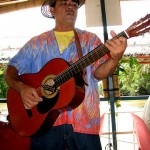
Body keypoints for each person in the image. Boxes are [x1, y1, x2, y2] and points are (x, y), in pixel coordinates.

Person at [5, 0, 127, 149]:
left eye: (74, 4)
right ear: (52, 10)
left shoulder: (90, 39)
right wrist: (21, 88)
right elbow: (11, 69)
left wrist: (115, 59)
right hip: (43, 125)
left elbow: (98, 74)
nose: (70, 6)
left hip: (84, 124)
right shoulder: (36, 43)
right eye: (63, 2)